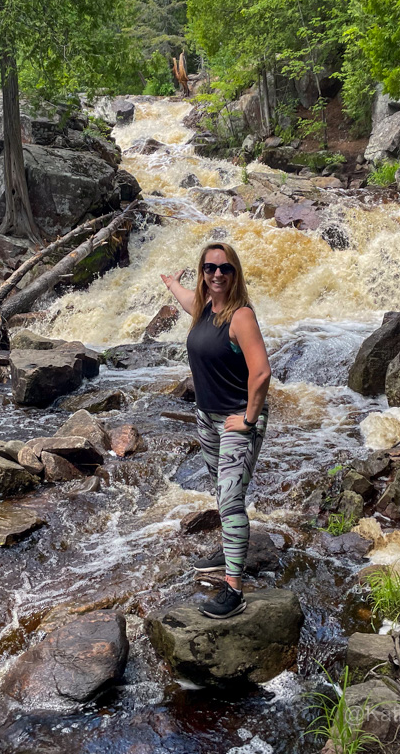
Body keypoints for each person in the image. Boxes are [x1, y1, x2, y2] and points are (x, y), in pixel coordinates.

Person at [161, 242, 271, 619]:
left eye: (225, 269)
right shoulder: (207, 308)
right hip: (207, 417)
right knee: (222, 490)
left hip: (237, 419)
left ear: (235, 273)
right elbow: (190, 303)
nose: (217, 274)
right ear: (202, 273)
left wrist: (250, 420)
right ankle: (230, 546)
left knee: (229, 498)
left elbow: (261, 372)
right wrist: (171, 285)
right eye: (210, 268)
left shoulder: (241, 316)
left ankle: (234, 589)